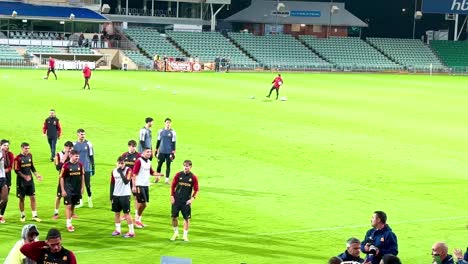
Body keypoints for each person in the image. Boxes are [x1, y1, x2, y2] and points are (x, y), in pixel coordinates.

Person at [132, 148, 163, 228]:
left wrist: (159, 174)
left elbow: (152, 172)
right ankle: (136, 220)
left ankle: (138, 220)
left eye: (150, 152)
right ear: (143, 152)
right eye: (147, 152)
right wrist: (134, 186)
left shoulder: (149, 162)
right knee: (143, 204)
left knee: (143, 204)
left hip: (146, 185)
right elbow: (134, 174)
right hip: (139, 185)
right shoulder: (139, 161)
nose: (149, 153)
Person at [170, 160, 199, 242]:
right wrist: (172, 196)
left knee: (186, 219)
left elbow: (196, 190)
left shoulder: (193, 177)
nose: (186, 167)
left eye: (187, 166)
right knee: (174, 217)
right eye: (184, 166)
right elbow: (173, 186)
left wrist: (192, 199)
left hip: (186, 201)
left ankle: (185, 235)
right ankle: (176, 233)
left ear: (190, 167)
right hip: (176, 200)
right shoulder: (178, 175)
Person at [14, 142, 43, 222]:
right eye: (26, 148)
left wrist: (37, 175)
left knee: (33, 197)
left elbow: (32, 167)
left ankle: (34, 215)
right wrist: (25, 177)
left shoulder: (30, 155)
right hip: (21, 182)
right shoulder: (17, 158)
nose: (27, 150)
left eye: (28, 148)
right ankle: (22, 215)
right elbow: (16, 170)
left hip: (30, 181)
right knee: (21, 199)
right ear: (22, 148)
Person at [60, 149, 84, 232]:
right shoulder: (66, 166)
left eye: (78, 156)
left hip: (77, 189)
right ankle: (68, 224)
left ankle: (70, 221)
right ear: (71, 156)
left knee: (73, 205)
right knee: (69, 206)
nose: (77, 158)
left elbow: (82, 176)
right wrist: (63, 190)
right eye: (76, 156)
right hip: (68, 189)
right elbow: (61, 178)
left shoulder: (80, 165)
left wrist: (82, 187)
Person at [110, 156, 135, 238]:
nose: (121, 165)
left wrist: (120, 172)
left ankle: (131, 232)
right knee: (117, 213)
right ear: (117, 163)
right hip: (116, 195)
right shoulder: (113, 171)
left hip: (125, 195)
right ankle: (118, 230)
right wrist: (111, 196)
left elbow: (126, 181)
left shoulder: (128, 170)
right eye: (119, 163)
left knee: (127, 213)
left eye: (122, 163)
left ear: (125, 163)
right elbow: (112, 184)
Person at [74, 128, 95, 208]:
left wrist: (93, 167)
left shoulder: (88, 143)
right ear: (78, 134)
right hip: (77, 168)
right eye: (81, 134)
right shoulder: (74, 144)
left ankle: (90, 199)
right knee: (78, 185)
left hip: (86, 167)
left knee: (87, 184)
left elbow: (91, 156)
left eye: (84, 134)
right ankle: (80, 201)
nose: (83, 136)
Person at [52, 141, 73, 219]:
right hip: (63, 179)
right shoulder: (59, 154)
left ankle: (72, 213)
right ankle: (56, 213)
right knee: (59, 196)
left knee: (72, 196)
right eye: (69, 148)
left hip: (72, 179)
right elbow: (58, 167)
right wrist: (66, 155)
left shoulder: (73, 154)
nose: (70, 150)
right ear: (65, 147)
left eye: (71, 148)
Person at [121, 140, 140, 214]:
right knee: (125, 197)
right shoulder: (124, 155)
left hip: (134, 179)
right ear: (129, 146)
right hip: (125, 179)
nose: (134, 148)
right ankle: (126, 213)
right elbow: (120, 166)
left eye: (135, 146)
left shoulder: (138, 156)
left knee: (136, 197)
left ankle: (136, 214)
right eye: (132, 146)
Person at [155, 118, 176, 184]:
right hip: (161, 151)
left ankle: (167, 179)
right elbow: (158, 141)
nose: (168, 124)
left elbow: (174, 143)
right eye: (167, 122)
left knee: (168, 165)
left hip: (169, 152)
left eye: (169, 122)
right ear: (164, 123)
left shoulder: (173, 132)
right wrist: (156, 150)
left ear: (171, 123)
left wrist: (173, 153)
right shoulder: (160, 131)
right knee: (159, 165)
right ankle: (157, 177)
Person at [0, 139, 14, 223]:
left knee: (5, 198)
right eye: (4, 145)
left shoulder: (8, 154)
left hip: (4, 178)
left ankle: (1, 215)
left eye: (7, 145)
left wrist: (5, 156)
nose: (6, 147)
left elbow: (9, 165)